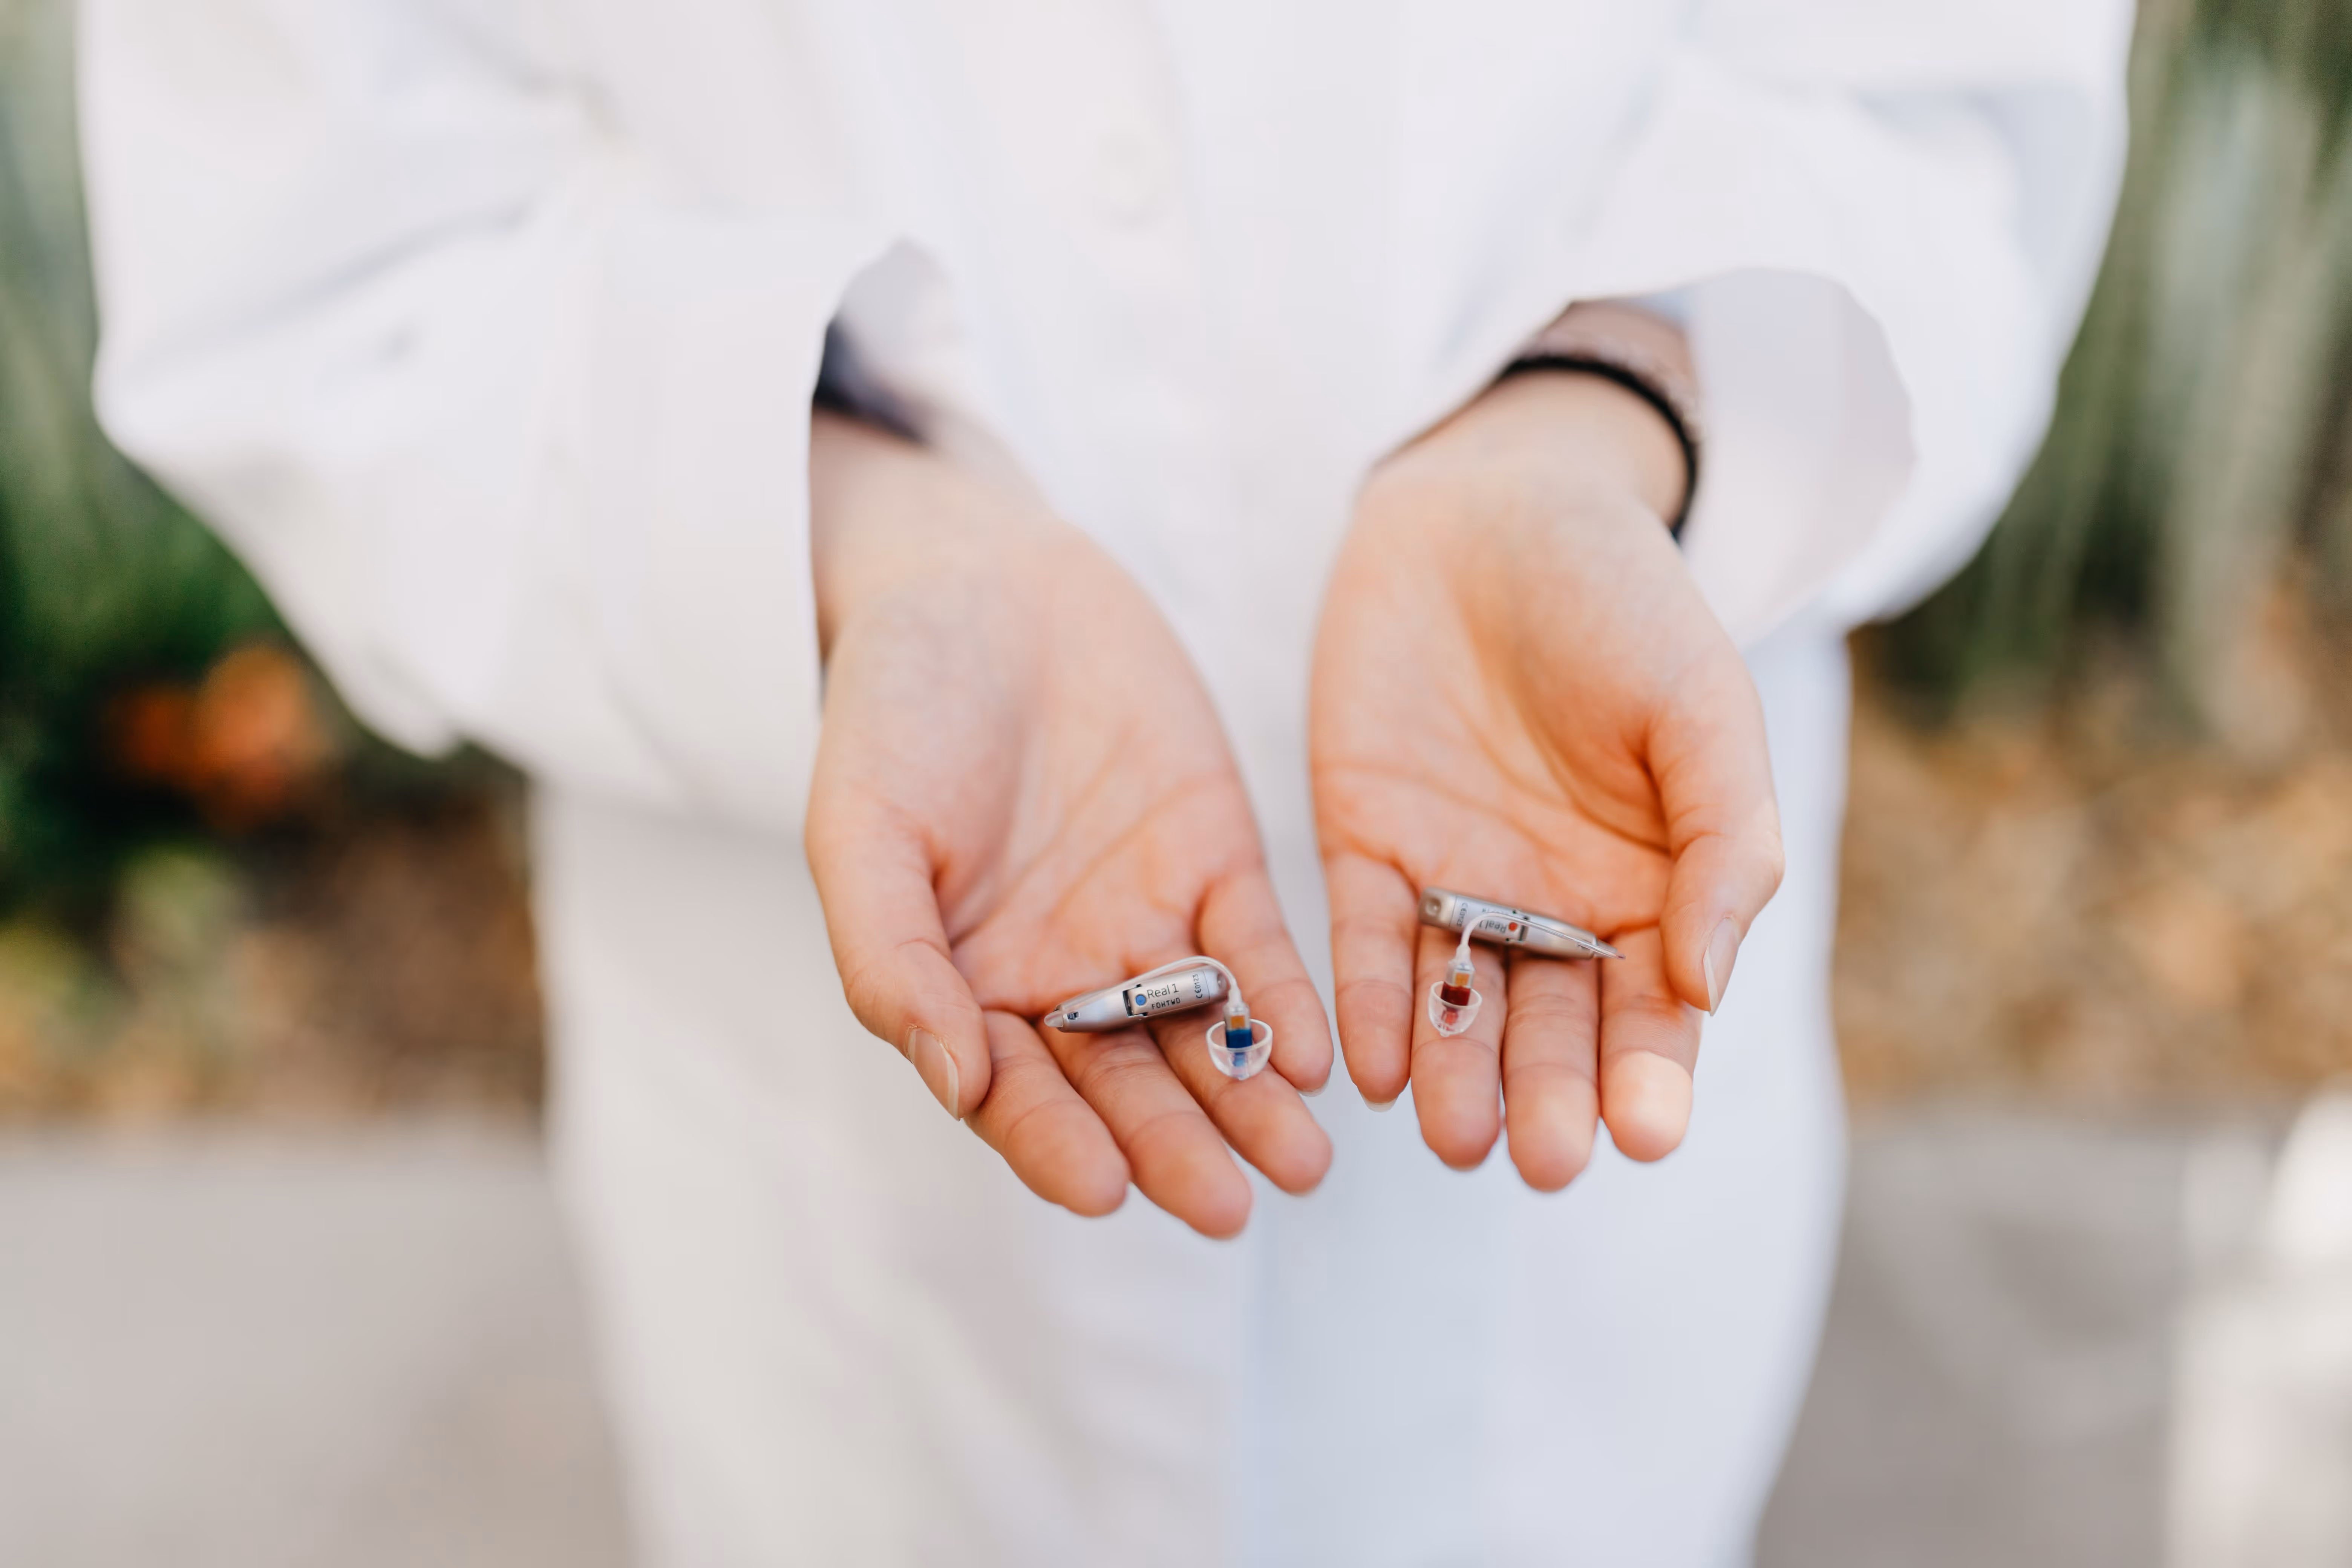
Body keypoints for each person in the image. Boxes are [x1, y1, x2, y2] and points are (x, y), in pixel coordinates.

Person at [78, 3, 2130, 1562]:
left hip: (1555, 1276)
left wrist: (1609, 402)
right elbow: (312, 253)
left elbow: (1942, 94)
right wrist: (849, 529)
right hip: (848, 1257)